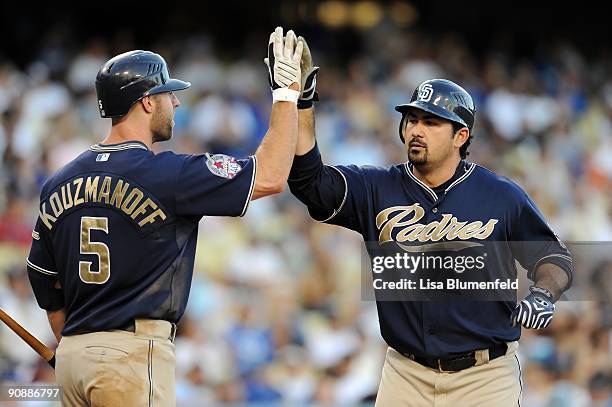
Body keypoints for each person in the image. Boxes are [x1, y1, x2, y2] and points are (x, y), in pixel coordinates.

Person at [26, 26, 303, 406]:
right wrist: (287, 96)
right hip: (131, 356)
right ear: (145, 101)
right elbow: (271, 176)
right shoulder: (169, 174)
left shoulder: (59, 180)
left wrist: (82, 348)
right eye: (168, 94)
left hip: (74, 355)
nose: (175, 104)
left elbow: (43, 280)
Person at [287, 38, 573, 406]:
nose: (417, 129)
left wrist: (544, 294)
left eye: (432, 122)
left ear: (461, 136)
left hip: (484, 376)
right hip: (405, 373)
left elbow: (555, 256)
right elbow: (309, 184)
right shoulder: (377, 187)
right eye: (413, 119)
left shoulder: (501, 196)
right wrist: (301, 103)